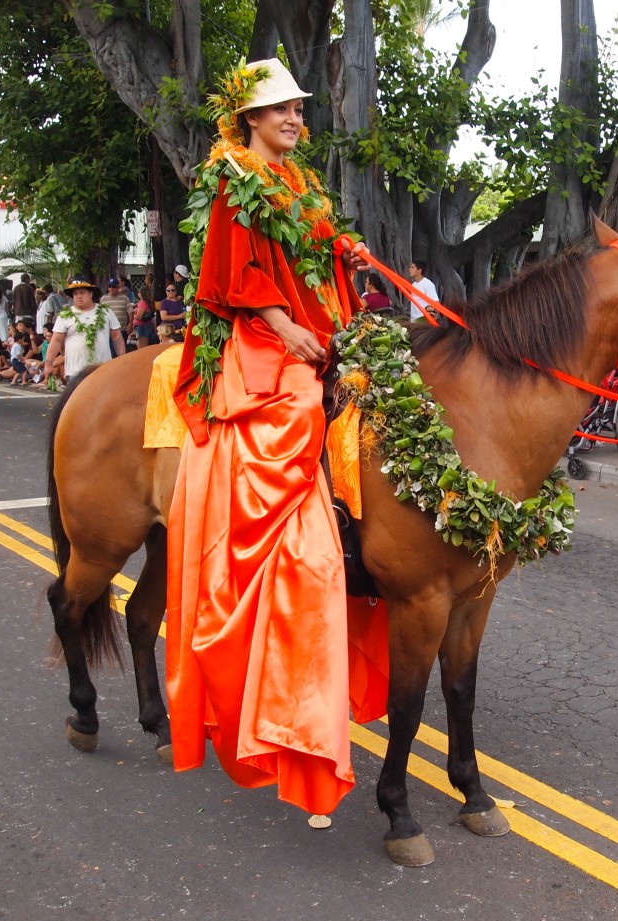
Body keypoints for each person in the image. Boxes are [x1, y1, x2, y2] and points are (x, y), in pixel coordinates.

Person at [166, 58, 380, 816]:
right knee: (296, 410)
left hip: (313, 323)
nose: (294, 117)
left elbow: (315, 257)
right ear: (249, 119)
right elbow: (229, 277)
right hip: (258, 341)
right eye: (280, 109)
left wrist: (347, 257)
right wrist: (287, 327)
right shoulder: (233, 176)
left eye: (296, 107)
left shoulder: (303, 183)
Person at [43, 278, 125, 382]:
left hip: (102, 369)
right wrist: (48, 363)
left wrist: (123, 361)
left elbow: (117, 337)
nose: (78, 296)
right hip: (75, 371)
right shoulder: (65, 316)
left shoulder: (106, 311)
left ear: (91, 294)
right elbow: (56, 341)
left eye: (82, 293)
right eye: (76, 294)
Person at [100, 277, 132, 352]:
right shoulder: (103, 299)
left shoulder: (124, 298)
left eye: (114, 286)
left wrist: (130, 324)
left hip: (122, 329)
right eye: (110, 286)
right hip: (108, 329)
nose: (112, 288)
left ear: (118, 287)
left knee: (121, 350)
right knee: (111, 350)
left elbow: (130, 312)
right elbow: (100, 314)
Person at [131, 284, 157, 349]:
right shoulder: (145, 302)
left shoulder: (142, 303)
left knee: (141, 348)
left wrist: (133, 315)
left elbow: (139, 316)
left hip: (142, 327)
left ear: (141, 294)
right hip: (145, 327)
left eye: (139, 292)